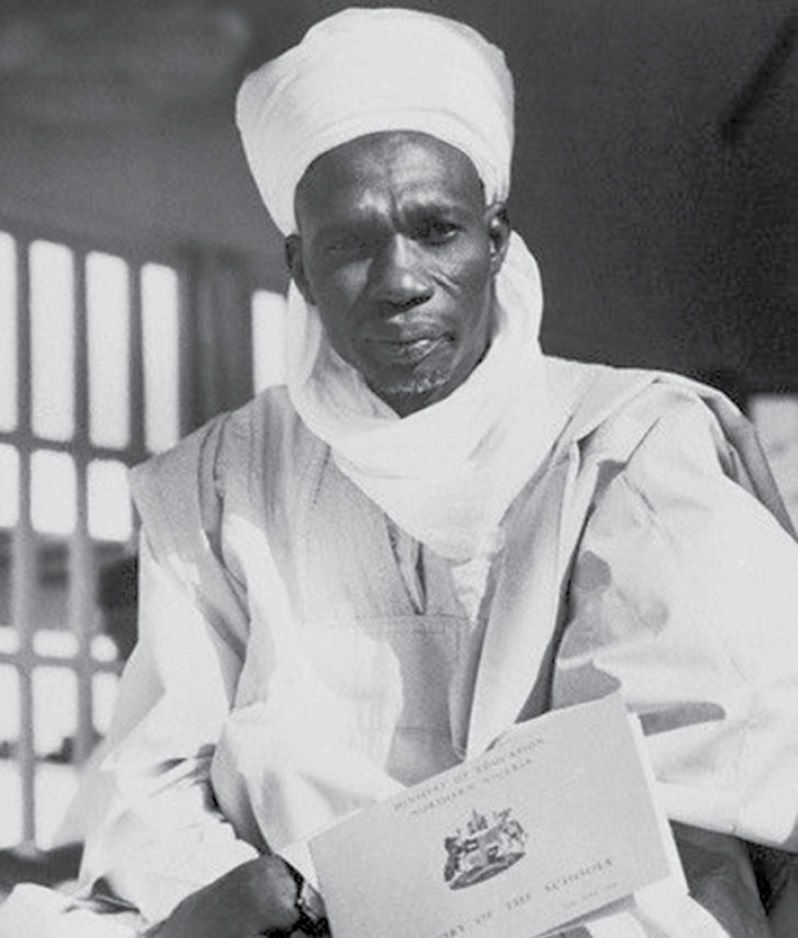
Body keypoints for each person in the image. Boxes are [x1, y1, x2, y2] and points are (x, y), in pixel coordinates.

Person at [10, 7, 798, 938]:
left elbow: (664, 783)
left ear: (495, 241)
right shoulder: (218, 485)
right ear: (300, 269)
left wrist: (323, 890)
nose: (400, 280)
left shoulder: (632, 445)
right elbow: (153, 794)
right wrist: (260, 906)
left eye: (436, 230)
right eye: (350, 243)